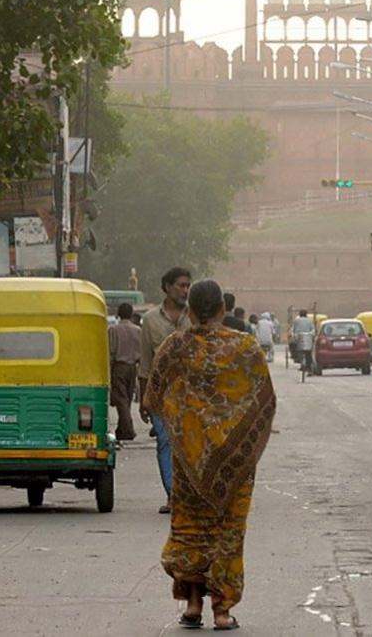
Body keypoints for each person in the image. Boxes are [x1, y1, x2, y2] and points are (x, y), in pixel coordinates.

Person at [144, 279, 276, 631]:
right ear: (222, 309)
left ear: (189, 310)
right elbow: (264, 400)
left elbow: (152, 397)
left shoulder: (174, 346)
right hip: (234, 462)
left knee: (190, 531)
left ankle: (192, 604)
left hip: (188, 460)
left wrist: (182, 420)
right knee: (228, 533)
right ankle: (222, 611)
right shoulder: (246, 347)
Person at [140, 267, 192, 514]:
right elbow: (145, 364)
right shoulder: (150, 320)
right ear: (167, 287)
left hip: (191, 396)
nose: (184, 290)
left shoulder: (195, 317)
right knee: (164, 442)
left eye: (187, 286)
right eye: (180, 285)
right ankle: (173, 496)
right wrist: (144, 397)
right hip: (161, 395)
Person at [108, 302, 141, 441]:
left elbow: (110, 351)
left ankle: (128, 430)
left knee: (121, 400)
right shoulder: (138, 330)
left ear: (118, 314)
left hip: (119, 367)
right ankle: (122, 430)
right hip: (133, 367)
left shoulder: (113, 330)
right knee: (126, 399)